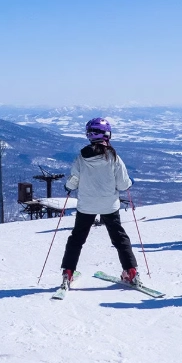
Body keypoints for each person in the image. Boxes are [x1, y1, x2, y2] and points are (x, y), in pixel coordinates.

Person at [59, 118, 138, 289]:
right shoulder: (114, 157)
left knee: (77, 239)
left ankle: (68, 273)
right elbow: (123, 184)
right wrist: (130, 182)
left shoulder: (81, 157)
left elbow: (74, 180)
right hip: (109, 206)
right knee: (119, 238)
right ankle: (131, 272)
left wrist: (68, 186)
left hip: (86, 206)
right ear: (107, 135)